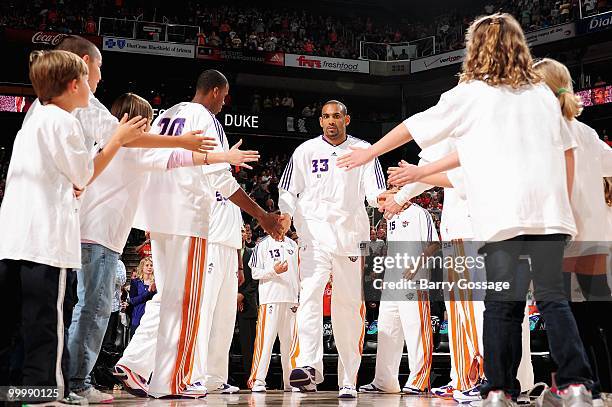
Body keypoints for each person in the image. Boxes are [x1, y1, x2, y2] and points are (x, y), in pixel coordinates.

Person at [338, 13, 594, 406]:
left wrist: (370, 151)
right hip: (550, 212)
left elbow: (413, 125)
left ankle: (497, 389)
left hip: (502, 215)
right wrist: (567, 209)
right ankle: (576, 384)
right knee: (551, 298)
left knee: (501, 307)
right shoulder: (543, 94)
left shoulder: (470, 93)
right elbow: (568, 152)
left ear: (476, 48)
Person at [115, 69, 284, 398]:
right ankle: (174, 379)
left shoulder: (168, 114)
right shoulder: (206, 117)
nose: (224, 102)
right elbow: (221, 181)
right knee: (187, 302)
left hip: (158, 214)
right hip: (187, 215)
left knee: (168, 297)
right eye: (225, 95)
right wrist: (263, 216)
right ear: (217, 92)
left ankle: (137, 365)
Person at [0, 50, 144, 404]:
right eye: (89, 79)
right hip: (46, 242)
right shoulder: (65, 121)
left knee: (10, 327)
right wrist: (116, 140)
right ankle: (42, 396)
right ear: (74, 83)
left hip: (12, 239)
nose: (94, 89)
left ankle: (13, 392)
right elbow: (85, 174)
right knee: (46, 327)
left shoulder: (33, 118)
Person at [278, 100, 386, 398]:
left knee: (348, 308)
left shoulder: (363, 150)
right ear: (320, 121)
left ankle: (348, 378)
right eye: (325, 116)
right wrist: (286, 213)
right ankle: (307, 367)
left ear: (346, 120)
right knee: (310, 294)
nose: (330, 121)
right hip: (313, 234)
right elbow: (288, 188)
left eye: (336, 116)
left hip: (350, 237)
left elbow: (375, 192)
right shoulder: (305, 151)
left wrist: (385, 200)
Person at [534, 58, 612, 401]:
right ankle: (603, 387)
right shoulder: (588, 132)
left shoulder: (546, 132)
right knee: (599, 315)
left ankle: (579, 387)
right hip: (596, 232)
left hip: (563, 230)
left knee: (567, 316)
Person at [359, 190, 439, 395]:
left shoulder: (420, 213)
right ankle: (385, 381)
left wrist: (417, 265)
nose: (389, 193)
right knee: (388, 331)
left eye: (394, 188)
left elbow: (434, 244)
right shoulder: (390, 215)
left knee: (416, 330)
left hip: (415, 279)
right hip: (392, 281)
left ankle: (419, 379)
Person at [247, 234, 300, 392]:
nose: (281, 224)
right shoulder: (262, 245)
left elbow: (298, 273)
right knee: (266, 341)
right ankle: (258, 380)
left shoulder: (293, 245)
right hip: (270, 298)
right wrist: (273, 271)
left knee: (290, 343)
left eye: (285, 220)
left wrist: (299, 297)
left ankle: (291, 382)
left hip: (291, 299)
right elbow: (255, 273)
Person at [129, 257, 156, 337]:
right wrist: (148, 292)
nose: (149, 267)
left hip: (151, 315)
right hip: (138, 314)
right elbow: (133, 300)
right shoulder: (135, 282)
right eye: (147, 265)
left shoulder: (157, 282)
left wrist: (153, 290)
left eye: (151, 265)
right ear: (142, 267)